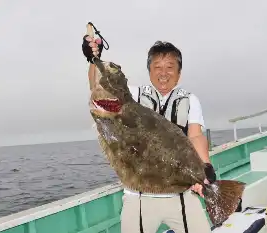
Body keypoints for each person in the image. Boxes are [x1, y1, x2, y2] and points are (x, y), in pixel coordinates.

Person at [82, 35, 216, 233]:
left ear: (179, 73)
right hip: (138, 197)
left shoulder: (189, 100)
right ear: (149, 71)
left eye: (170, 67)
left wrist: (205, 167)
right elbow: (98, 86)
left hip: (182, 196)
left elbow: (195, 136)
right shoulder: (132, 95)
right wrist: (93, 59)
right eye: (157, 67)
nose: (163, 73)